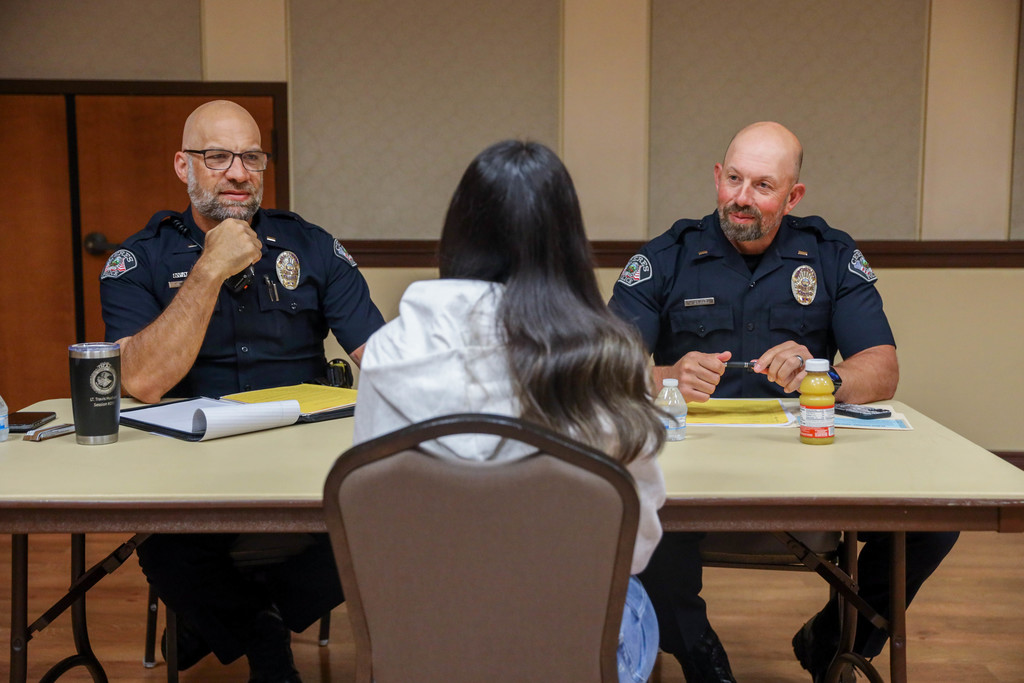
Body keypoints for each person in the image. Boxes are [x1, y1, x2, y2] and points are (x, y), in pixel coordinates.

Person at [609, 121, 959, 683]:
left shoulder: (830, 255)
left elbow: (881, 368)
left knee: (934, 526)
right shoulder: (664, 258)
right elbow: (602, 370)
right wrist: (666, 376)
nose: (742, 199)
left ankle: (838, 640)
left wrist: (822, 374)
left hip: (807, 457)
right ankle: (699, 654)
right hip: (696, 462)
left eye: (762, 186)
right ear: (717, 178)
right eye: (733, 179)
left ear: (793, 196)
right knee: (636, 515)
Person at [353, 139, 666, 683]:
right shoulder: (609, 358)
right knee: (635, 596)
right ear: (568, 241)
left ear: (459, 231)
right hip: (561, 649)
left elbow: (377, 532)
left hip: (427, 645)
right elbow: (634, 547)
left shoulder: (388, 353)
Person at [100, 100, 385, 683]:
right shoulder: (139, 259)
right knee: (168, 552)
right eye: (217, 157)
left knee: (376, 527)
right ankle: (263, 637)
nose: (238, 172)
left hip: (300, 466)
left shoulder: (309, 246)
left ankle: (223, 622)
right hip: (185, 472)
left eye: (251, 157)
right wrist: (208, 270)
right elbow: (141, 381)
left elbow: (382, 360)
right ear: (184, 166)